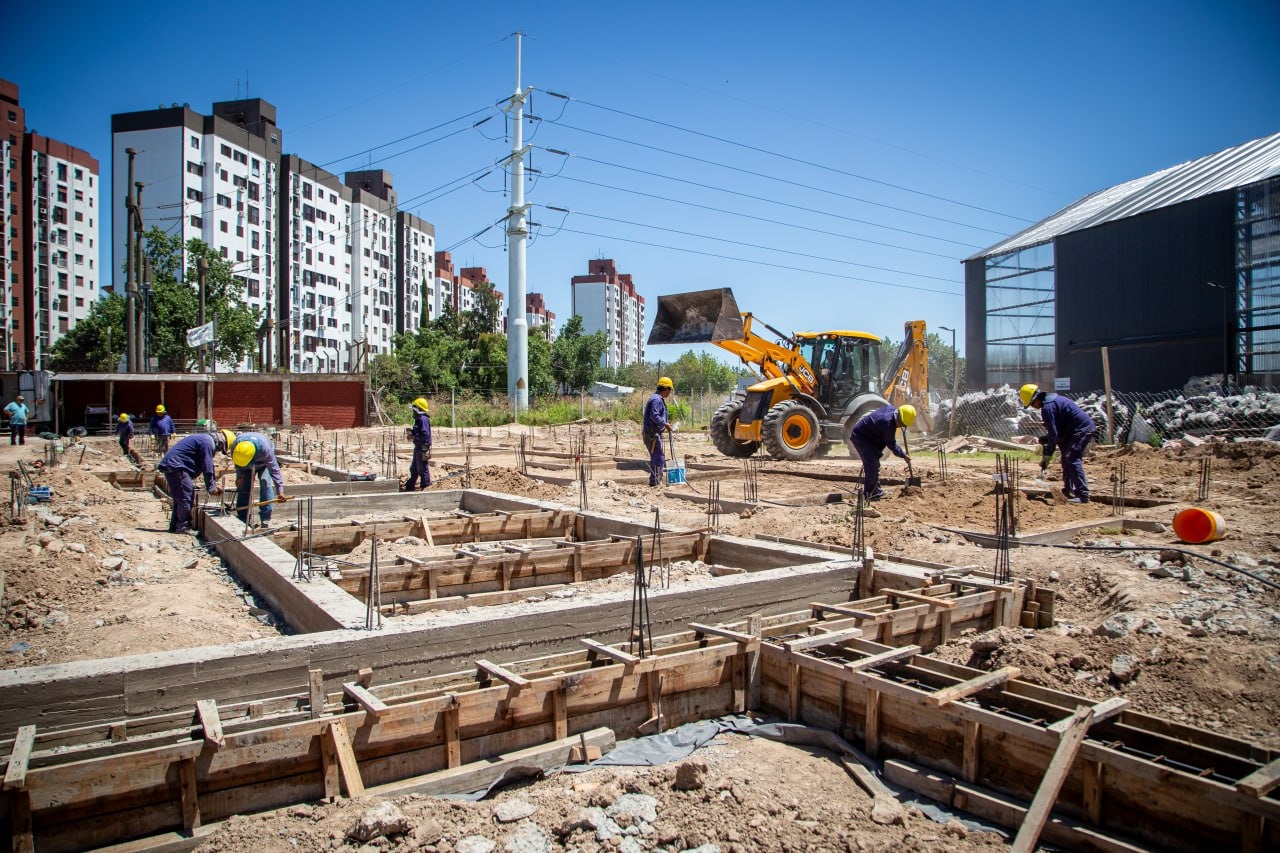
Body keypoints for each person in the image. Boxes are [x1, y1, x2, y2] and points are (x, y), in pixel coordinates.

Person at [1020, 384, 1096, 504]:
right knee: (1066, 459)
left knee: (1071, 457)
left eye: (1033, 404)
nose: (1034, 408)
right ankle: (1067, 490)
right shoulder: (1052, 402)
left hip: (1081, 430)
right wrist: (1047, 439)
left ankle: (1083, 495)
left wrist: (1047, 456)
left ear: (1036, 398)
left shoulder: (1047, 408)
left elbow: (1054, 435)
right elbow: (1055, 432)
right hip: (1070, 431)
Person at [157, 429, 232, 534]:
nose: (218, 451)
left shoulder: (204, 439)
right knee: (185, 496)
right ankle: (183, 527)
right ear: (222, 443)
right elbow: (207, 466)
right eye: (220, 449)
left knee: (180, 498)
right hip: (177, 467)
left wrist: (213, 484)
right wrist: (211, 487)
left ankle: (175, 526)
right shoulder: (208, 443)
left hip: (174, 466)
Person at [849, 404, 915, 501]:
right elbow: (891, 445)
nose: (899, 426)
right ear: (899, 419)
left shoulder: (891, 410)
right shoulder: (887, 424)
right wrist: (903, 455)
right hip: (861, 437)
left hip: (870, 437)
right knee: (872, 465)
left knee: (874, 464)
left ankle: (876, 491)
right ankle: (870, 495)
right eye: (900, 424)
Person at [232, 432, 285, 528]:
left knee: (265, 482)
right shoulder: (236, 446)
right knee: (243, 486)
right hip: (244, 465)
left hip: (263, 465)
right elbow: (237, 462)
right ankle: (243, 517)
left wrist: (280, 490)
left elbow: (274, 470)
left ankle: (265, 518)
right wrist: (239, 476)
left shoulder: (265, 450)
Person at [642, 377, 675, 487]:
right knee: (658, 457)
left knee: (657, 456)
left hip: (653, 433)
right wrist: (665, 424)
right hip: (652, 434)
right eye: (670, 390)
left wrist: (665, 423)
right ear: (665, 388)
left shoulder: (657, 399)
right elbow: (654, 415)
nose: (669, 393)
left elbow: (658, 416)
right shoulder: (656, 399)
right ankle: (655, 481)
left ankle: (655, 480)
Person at [402, 397, 433, 491]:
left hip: (422, 447)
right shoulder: (419, 419)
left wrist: (414, 436)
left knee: (422, 468)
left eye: (414, 410)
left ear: (418, 409)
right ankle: (410, 485)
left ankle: (425, 486)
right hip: (418, 447)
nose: (413, 412)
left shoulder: (423, 419)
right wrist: (412, 433)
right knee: (414, 468)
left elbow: (425, 435)